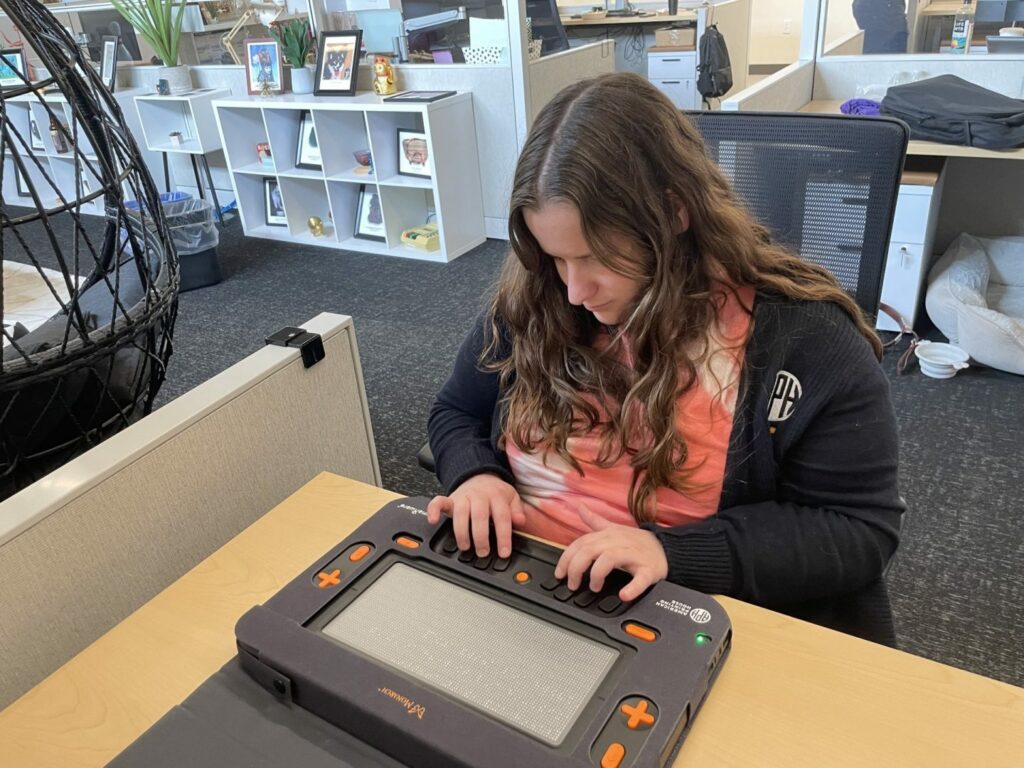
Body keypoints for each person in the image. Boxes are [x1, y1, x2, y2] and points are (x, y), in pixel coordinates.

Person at [426, 72, 904, 645]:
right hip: (515, 579)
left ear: (674, 213)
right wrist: (475, 475)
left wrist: (670, 552)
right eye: (556, 258)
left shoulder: (807, 343)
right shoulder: (537, 299)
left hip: (671, 612)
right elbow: (456, 412)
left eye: (595, 257)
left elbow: (858, 532)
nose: (575, 290)